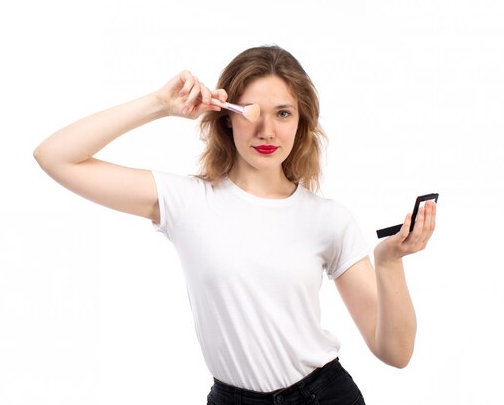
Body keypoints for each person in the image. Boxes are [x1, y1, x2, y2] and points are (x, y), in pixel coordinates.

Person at [33, 45, 436, 405]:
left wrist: (389, 263)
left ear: (301, 122)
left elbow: (395, 353)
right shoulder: (188, 201)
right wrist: (159, 104)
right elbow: (55, 157)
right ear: (226, 118)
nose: (267, 131)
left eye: (283, 113)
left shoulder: (328, 219)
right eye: (251, 113)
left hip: (323, 395)